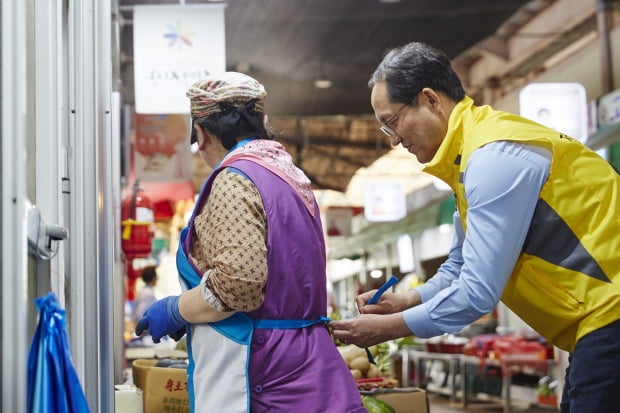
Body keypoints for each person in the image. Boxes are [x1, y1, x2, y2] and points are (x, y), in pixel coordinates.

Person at [328, 42, 620, 412]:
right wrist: (407, 301)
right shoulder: (469, 161)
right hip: (598, 324)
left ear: (431, 100)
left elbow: (478, 292)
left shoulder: (492, 157)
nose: (396, 139)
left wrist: (391, 327)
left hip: (611, 314)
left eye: (393, 121)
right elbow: (459, 266)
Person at [135, 72, 366, 413]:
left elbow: (237, 285)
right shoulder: (289, 175)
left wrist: (176, 309)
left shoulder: (235, 179)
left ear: (200, 132)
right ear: (263, 123)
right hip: (308, 366)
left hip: (266, 374)